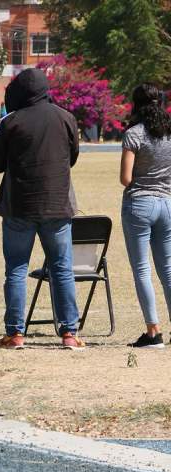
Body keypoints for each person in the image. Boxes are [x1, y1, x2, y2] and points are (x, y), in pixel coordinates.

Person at [0, 68, 84, 350]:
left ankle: (15, 334)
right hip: (57, 206)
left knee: (16, 269)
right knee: (62, 269)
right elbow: (73, 158)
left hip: (18, 206)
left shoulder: (11, 122)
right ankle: (69, 333)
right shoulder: (66, 118)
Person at [120, 83, 171, 349]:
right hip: (167, 203)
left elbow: (125, 178)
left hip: (140, 204)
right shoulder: (169, 133)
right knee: (168, 269)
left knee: (142, 269)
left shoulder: (134, 134)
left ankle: (153, 332)